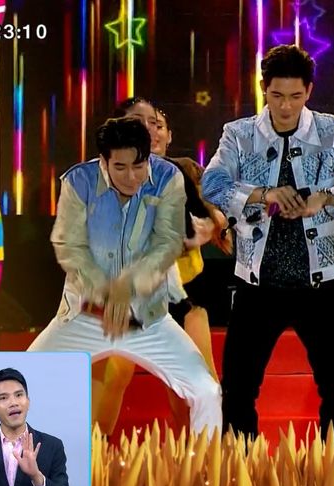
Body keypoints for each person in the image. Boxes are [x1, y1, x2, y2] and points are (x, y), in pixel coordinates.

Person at [202, 45, 334, 443]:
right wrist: (262, 193)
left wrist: (325, 199)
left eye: (296, 96)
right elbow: (212, 184)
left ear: (309, 91)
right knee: (239, 388)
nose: (286, 106)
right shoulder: (239, 134)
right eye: (277, 95)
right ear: (263, 89)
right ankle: (241, 470)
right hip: (258, 282)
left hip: (324, 284)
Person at [27, 117, 222, 435]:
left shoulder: (168, 177)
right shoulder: (78, 182)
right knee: (15, 383)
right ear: (103, 161)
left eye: (138, 166)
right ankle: (19, 462)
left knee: (207, 391)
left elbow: (166, 244)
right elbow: (69, 247)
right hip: (83, 317)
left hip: (149, 320)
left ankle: (206, 464)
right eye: (120, 167)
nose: (131, 177)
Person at [90, 99, 229, 434]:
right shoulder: (104, 176)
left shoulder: (183, 171)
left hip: (184, 293)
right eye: (140, 123)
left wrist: (211, 225)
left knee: (197, 381)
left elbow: (215, 216)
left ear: (168, 135)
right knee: (114, 374)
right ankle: (92, 449)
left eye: (157, 124)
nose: (150, 130)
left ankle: (200, 457)